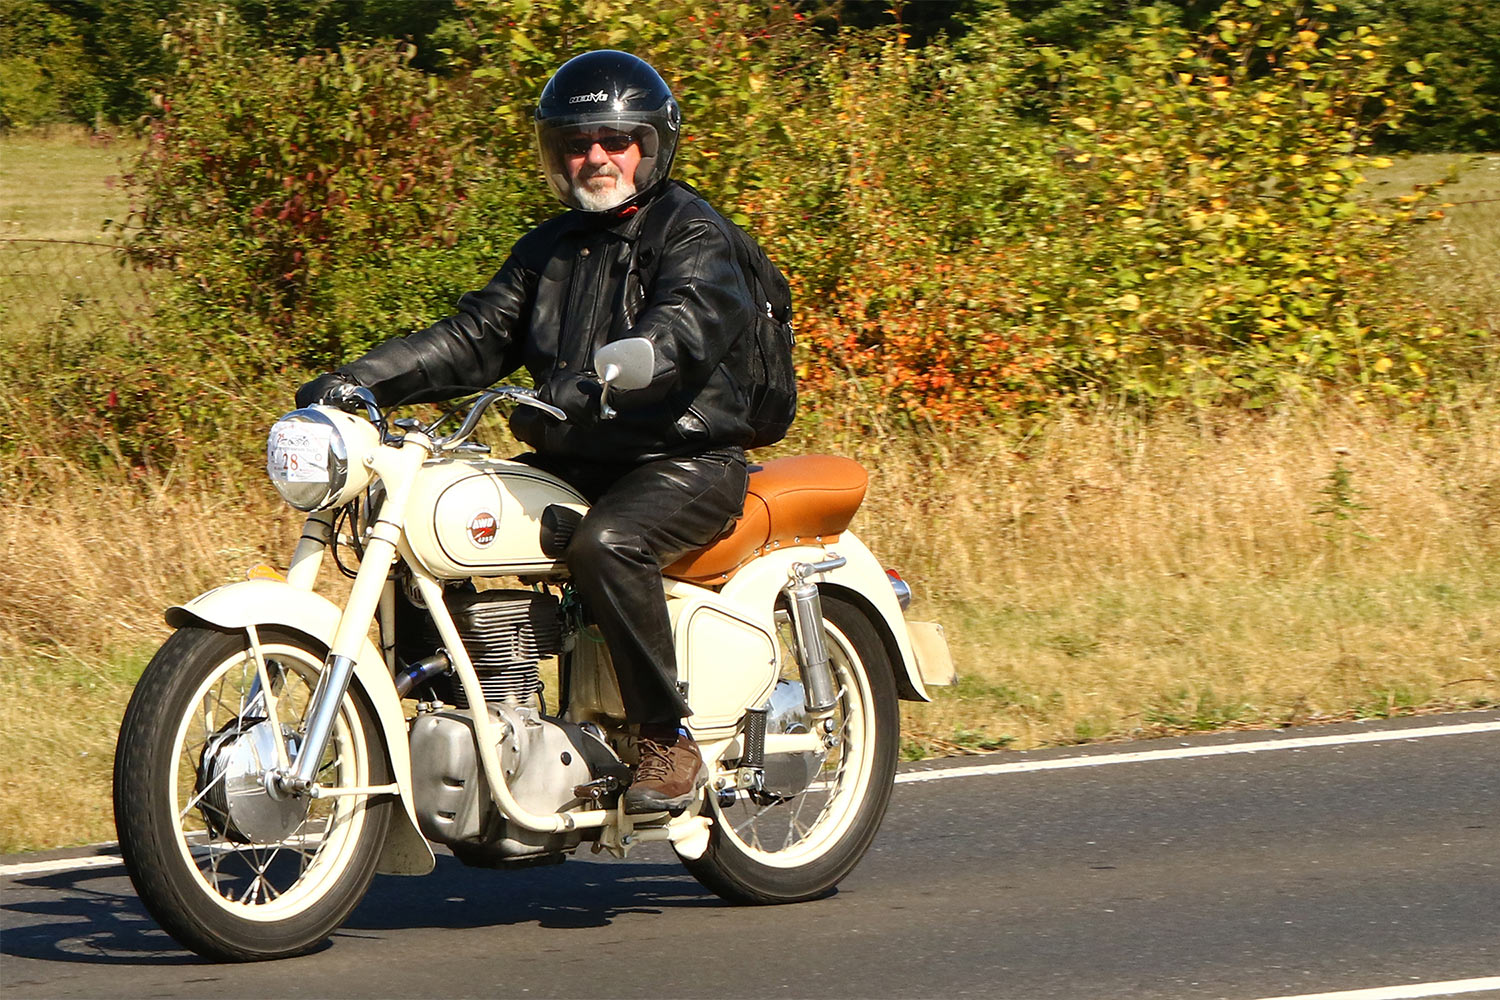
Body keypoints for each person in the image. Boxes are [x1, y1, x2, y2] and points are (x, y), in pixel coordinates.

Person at [296, 50, 760, 815]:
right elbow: (472, 337)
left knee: (607, 545)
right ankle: (460, 716)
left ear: (651, 143)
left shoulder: (694, 234)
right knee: (411, 518)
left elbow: (684, 326)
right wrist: (359, 382)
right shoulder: (552, 248)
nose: (596, 157)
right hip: (574, 455)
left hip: (683, 457)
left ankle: (664, 736)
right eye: (578, 143)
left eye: (615, 139)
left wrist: (611, 374)